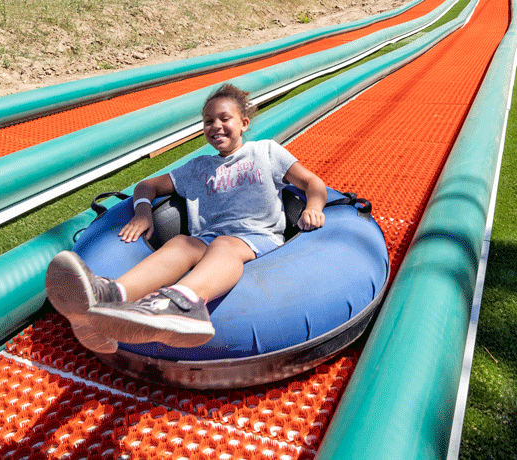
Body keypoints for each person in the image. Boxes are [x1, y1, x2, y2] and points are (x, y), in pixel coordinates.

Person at [45, 83, 327, 354]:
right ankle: (109, 296)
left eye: (224, 118)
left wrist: (313, 206)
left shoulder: (266, 152)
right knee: (181, 243)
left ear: (243, 123)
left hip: (256, 238)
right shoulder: (198, 167)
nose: (215, 126)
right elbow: (147, 186)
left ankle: (184, 304)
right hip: (206, 241)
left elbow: (311, 182)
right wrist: (143, 214)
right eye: (208, 121)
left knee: (224, 245)